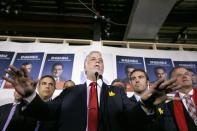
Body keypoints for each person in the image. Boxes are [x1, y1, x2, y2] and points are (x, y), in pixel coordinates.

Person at [3, 51, 179, 131]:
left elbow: (131, 118)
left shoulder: (116, 93)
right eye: (93, 59)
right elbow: (48, 112)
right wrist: (30, 96)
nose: (97, 61)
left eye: (100, 60)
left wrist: (146, 104)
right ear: (84, 66)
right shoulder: (70, 91)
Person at [166, 66, 197, 131]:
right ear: (173, 82)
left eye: (186, 74)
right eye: (179, 75)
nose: (185, 76)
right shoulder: (168, 101)